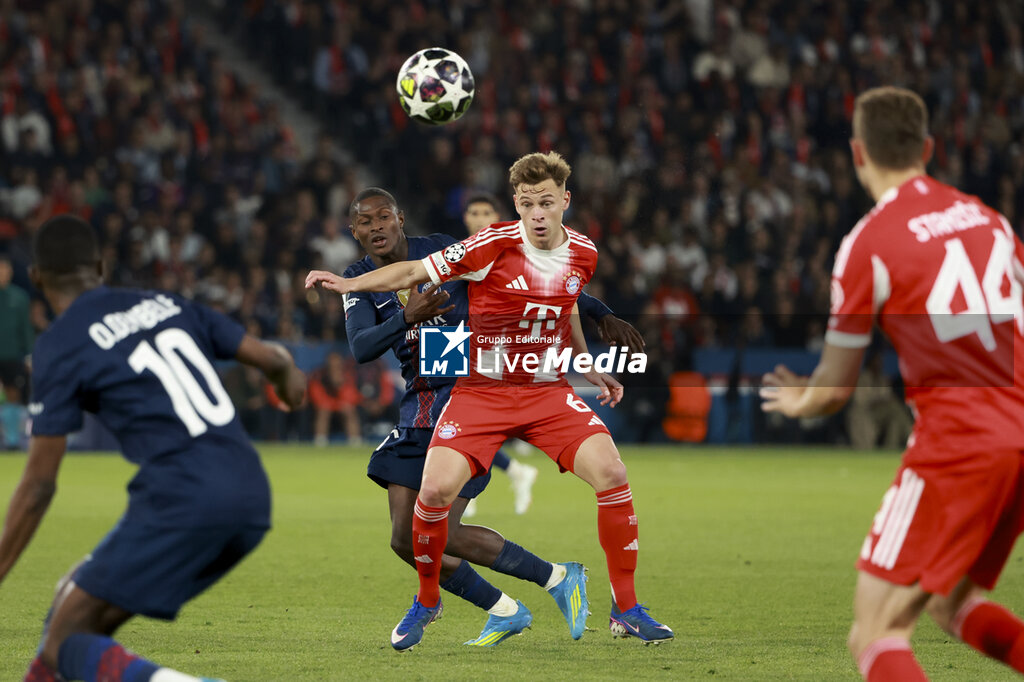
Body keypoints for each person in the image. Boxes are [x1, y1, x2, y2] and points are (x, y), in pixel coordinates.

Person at [308, 153, 673, 648]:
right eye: (527, 203)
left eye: (546, 202)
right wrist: (355, 288)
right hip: (473, 391)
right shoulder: (486, 246)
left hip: (537, 387)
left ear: (565, 201)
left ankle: (624, 608)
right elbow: (384, 312)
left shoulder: (582, 252)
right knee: (422, 510)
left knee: (613, 473)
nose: (538, 213)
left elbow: (562, 303)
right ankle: (440, 600)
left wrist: (587, 356)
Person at [761, 86, 1024, 681]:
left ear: (858, 154)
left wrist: (800, 402)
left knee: (876, 631)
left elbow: (833, 390)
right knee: (951, 601)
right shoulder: (991, 220)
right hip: (1019, 434)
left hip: (961, 444)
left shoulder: (869, 243)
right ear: (927, 147)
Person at [0, 215, 306, 682]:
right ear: (100, 267)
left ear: (38, 277)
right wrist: (287, 390)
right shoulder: (165, 301)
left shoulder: (58, 345)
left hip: (182, 499)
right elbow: (275, 358)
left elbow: (39, 484)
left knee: (64, 642)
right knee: (69, 618)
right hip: (250, 495)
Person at [460, 193, 539, 517]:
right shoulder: (456, 250)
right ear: (465, 217)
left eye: (485, 212)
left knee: (468, 420)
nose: (479, 218)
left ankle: (467, 490)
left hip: (491, 343)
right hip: (451, 339)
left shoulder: (507, 252)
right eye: (473, 211)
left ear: (496, 217)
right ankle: (509, 473)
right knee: (443, 417)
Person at [0, 254, 33, 449]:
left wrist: (29, 354)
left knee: (14, 395)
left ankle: (12, 440)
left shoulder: (20, 297)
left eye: (5, 269)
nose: (2, 274)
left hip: (12, 355)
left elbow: (25, 328)